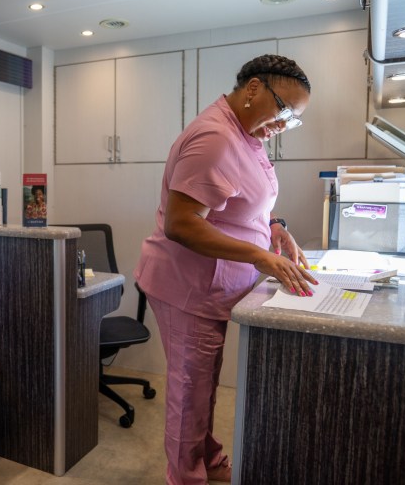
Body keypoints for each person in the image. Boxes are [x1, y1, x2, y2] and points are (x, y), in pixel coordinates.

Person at [134, 54, 318, 485]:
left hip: (213, 285)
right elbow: (181, 224)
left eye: (294, 119)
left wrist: (275, 228)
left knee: (202, 386)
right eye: (285, 110)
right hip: (188, 287)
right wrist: (259, 256)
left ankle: (209, 458)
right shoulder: (214, 137)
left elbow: (245, 201)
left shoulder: (247, 133)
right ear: (253, 88)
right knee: (189, 392)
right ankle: (186, 476)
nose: (285, 124)